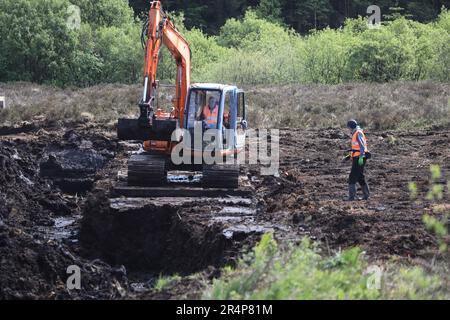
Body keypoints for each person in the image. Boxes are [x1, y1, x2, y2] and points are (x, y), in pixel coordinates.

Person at [346, 119, 370, 201]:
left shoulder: (358, 133)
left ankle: (351, 197)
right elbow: (355, 148)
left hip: (360, 158)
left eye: (348, 127)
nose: (348, 129)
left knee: (352, 177)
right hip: (357, 157)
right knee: (360, 176)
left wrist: (361, 156)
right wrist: (349, 156)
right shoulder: (355, 132)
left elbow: (362, 146)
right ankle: (366, 195)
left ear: (350, 127)